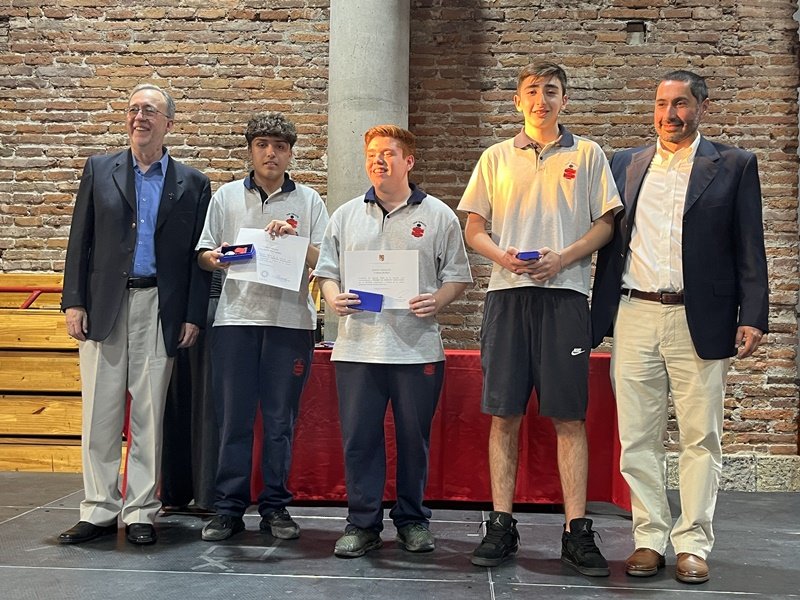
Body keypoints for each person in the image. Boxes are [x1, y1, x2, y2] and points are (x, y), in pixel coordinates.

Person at [591, 70, 769, 584]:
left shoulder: (734, 164)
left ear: (702, 107)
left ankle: (692, 542)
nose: (669, 114)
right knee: (637, 436)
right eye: (662, 103)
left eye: (681, 103)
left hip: (701, 315)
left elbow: (750, 244)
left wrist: (753, 314)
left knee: (701, 437)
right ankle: (648, 537)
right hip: (634, 313)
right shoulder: (624, 163)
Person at [458, 62, 621, 576]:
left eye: (551, 91)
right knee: (504, 413)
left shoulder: (588, 154)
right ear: (518, 101)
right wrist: (501, 256)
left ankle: (577, 531)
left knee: (569, 416)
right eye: (532, 91)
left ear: (564, 100)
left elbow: (605, 225)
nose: (541, 99)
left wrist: (564, 257)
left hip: (566, 296)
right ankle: (501, 524)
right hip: (507, 297)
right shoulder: (495, 157)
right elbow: (474, 228)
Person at [59, 83, 212, 545]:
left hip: (160, 307)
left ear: (169, 123)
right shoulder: (99, 169)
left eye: (150, 110)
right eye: (133, 109)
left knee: (148, 413)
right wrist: (73, 301)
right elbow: (80, 240)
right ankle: (99, 509)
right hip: (104, 306)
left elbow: (197, 258)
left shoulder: (193, 183)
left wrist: (192, 315)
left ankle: (142, 509)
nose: (139, 117)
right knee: (99, 414)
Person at [314, 125, 472, 558]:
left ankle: (413, 520)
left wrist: (437, 300)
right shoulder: (345, 215)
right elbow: (326, 272)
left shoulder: (438, 215)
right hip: (357, 348)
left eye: (388, 153)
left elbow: (458, 276)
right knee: (359, 440)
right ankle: (362, 523)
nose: (378, 161)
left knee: (413, 440)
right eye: (372, 154)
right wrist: (333, 297)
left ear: (409, 162)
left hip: (417, 349)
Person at [196, 112, 329, 542]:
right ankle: (228, 508)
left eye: (280, 147)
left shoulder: (309, 201)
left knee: (280, 421)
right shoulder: (226, 196)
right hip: (236, 320)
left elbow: (327, 261)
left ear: (290, 154)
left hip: (290, 324)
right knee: (233, 419)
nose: (271, 153)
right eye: (262, 145)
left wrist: (294, 238)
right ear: (250, 150)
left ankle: (275, 507)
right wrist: (215, 258)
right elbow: (204, 253)